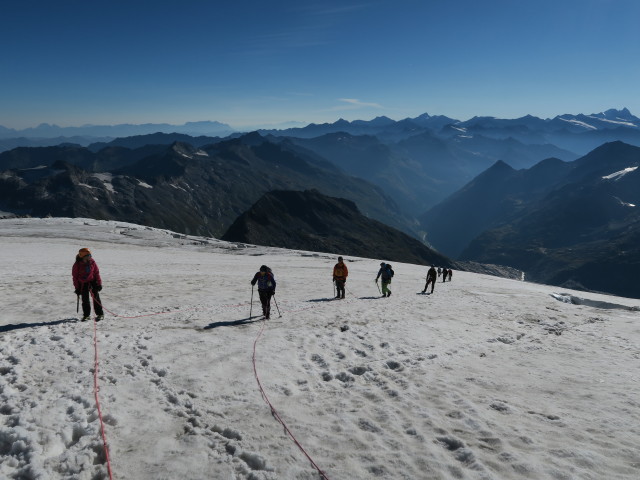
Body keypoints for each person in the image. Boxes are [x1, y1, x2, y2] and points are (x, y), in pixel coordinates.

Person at [72, 248, 104, 321]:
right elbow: (75, 277)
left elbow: (96, 273)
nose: (90, 257)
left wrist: (99, 283)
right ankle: (86, 315)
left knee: (96, 299)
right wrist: (77, 288)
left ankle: (100, 314)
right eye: (88, 255)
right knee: (85, 300)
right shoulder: (77, 265)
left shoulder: (92, 262)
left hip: (93, 282)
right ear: (83, 256)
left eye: (90, 255)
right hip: (83, 284)